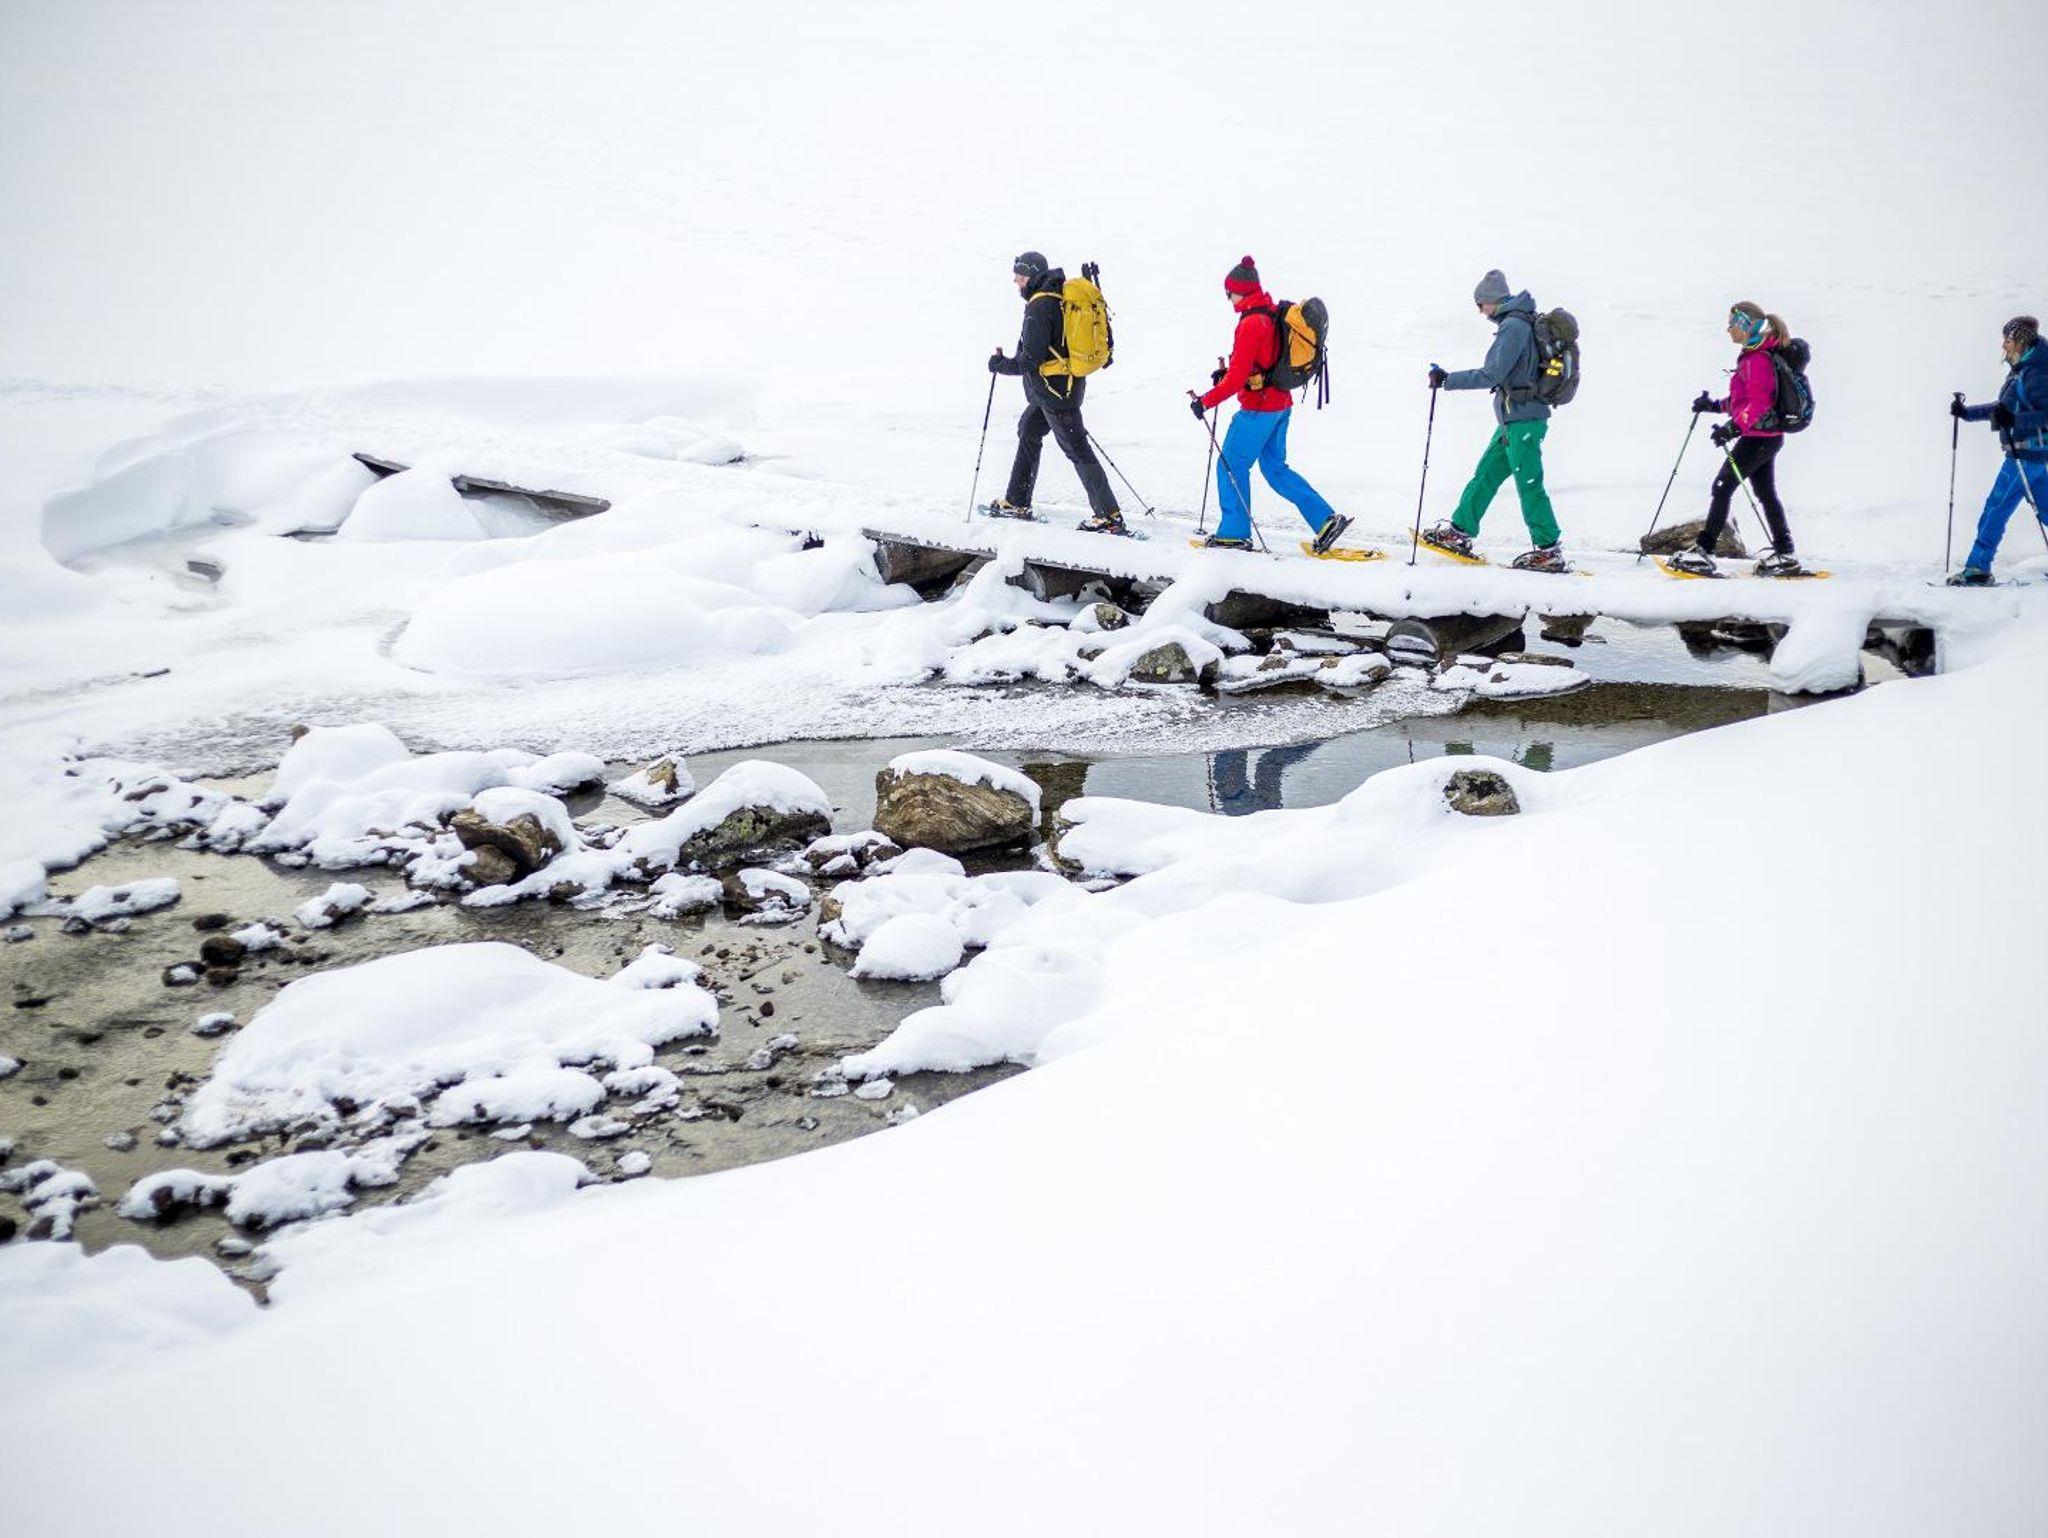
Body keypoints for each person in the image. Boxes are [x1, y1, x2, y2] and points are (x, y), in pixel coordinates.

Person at [1187, 255, 1355, 554]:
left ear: (1241, 291)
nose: (1228, 298)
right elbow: (1263, 362)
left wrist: (1205, 401)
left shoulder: (1251, 323)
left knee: (1231, 466)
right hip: (1280, 405)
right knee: (1275, 469)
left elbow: (1237, 380)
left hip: (1258, 410)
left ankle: (1234, 534)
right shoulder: (1271, 311)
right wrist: (1229, 374)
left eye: (1229, 292)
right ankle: (1326, 520)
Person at [1421, 269, 1567, 572]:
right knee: (1486, 474)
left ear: (1492, 300)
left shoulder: (1513, 326)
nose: (1480, 311)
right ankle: (1460, 531)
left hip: (1524, 421)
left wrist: (1447, 379)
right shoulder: (1519, 321)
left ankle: (1549, 550)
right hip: (1512, 421)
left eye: (1480, 304)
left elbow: (1491, 374)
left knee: (1529, 484)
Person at [985, 251, 1124, 534]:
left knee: (1077, 449)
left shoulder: (1039, 306)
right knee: (1028, 429)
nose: (1016, 282)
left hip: (1055, 392)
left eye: (1020, 276)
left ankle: (1109, 516)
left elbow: (1029, 360)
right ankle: (1017, 501)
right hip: (1058, 388)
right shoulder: (1059, 297)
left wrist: (1000, 365)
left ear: (1033, 275)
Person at [1667, 302, 1805, 577]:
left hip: (1758, 439)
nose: (1728, 329)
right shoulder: (1754, 355)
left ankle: (1703, 553)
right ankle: (1786, 553)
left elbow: (1759, 404)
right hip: (1764, 437)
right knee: (1765, 495)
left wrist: (1732, 428)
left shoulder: (1757, 359)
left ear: (1745, 325)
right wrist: (1713, 406)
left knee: (1722, 487)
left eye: (1732, 323)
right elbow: (1744, 400)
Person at [1946, 315, 2048, 586]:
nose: (2004, 344)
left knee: (1996, 509)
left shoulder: (2037, 373)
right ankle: (1978, 568)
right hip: (2032, 455)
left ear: (2021, 340)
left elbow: (2045, 415)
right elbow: (2002, 408)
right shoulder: (2021, 370)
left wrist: (2014, 420)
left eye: (2008, 339)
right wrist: (1967, 413)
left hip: (2024, 454)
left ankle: (1978, 569)